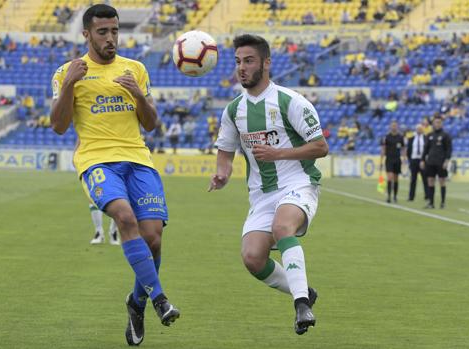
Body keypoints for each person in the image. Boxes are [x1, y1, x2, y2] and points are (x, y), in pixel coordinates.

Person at [49, 5, 179, 346]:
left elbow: (151, 123)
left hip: (138, 160)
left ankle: (135, 303)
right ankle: (160, 299)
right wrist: (69, 87)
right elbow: (59, 126)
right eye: (103, 32)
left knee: (153, 239)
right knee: (124, 217)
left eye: (115, 31)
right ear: (87, 34)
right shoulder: (68, 71)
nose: (111, 38)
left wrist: (137, 92)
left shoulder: (135, 69)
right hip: (97, 161)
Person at [208, 34, 328, 335]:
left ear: (266, 63)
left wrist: (279, 153)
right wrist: (222, 173)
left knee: (282, 226)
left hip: (298, 182)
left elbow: (320, 146)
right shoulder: (234, 110)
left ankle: (301, 304)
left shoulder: (290, 102)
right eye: (237, 62)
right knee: (252, 257)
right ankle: (304, 291)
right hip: (261, 193)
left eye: (248, 60)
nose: (242, 68)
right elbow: (225, 151)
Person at [421, 116, 452, 209]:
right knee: (430, 181)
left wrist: (446, 160)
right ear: (433, 124)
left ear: (441, 124)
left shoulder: (446, 135)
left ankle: (442, 203)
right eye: (435, 122)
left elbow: (449, 149)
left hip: (441, 162)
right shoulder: (429, 135)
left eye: (439, 122)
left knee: (442, 181)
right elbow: (425, 149)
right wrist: (422, 160)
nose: (437, 124)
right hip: (430, 161)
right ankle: (431, 203)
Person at [380, 120, 405, 203]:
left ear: (397, 126)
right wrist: (381, 160)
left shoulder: (400, 137)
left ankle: (395, 196)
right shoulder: (387, 137)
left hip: (397, 159)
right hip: (389, 159)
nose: (394, 127)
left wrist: (404, 158)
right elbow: (383, 149)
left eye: (395, 125)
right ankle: (389, 196)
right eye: (392, 125)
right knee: (390, 177)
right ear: (390, 127)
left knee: (396, 178)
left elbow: (403, 148)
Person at [406, 124, 427, 201]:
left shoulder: (425, 138)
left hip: (422, 160)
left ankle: (427, 195)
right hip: (414, 160)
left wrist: (425, 160)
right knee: (413, 179)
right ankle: (411, 196)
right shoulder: (411, 139)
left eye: (420, 129)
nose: (419, 130)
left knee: (425, 179)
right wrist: (410, 160)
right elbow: (408, 151)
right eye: (418, 129)